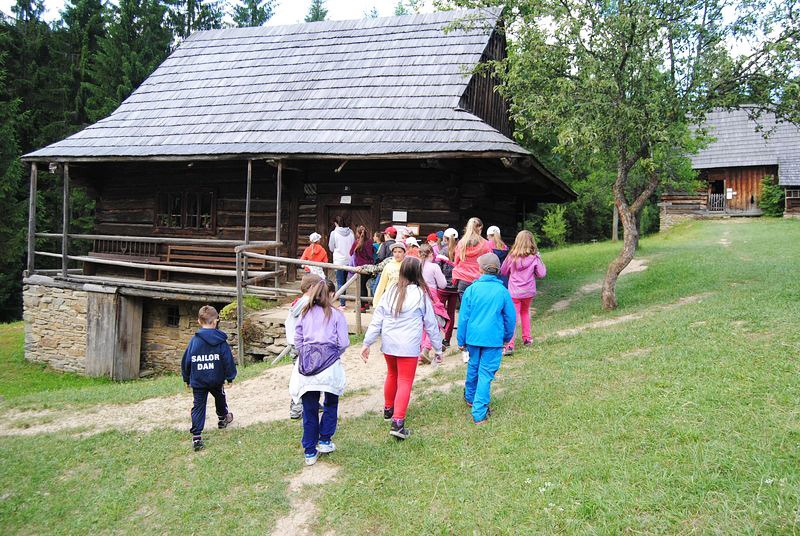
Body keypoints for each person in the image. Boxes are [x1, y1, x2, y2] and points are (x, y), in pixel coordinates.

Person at [361, 257, 443, 439]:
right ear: (417, 273)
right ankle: (398, 423)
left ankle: (388, 409)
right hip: (408, 345)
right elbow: (431, 324)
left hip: (389, 344)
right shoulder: (421, 295)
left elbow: (377, 320)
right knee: (405, 381)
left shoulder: (390, 292)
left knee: (392, 374)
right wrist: (438, 348)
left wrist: (367, 343)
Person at [289, 278, 349, 465]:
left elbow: (297, 339)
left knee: (310, 408)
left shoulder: (304, 314)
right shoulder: (336, 315)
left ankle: (309, 450)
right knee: (331, 403)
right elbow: (344, 342)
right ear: (330, 295)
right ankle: (325, 439)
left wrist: (307, 352)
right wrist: (333, 353)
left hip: (307, 366)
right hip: (329, 365)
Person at [457, 253, 516, 425]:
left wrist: (461, 340)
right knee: (485, 374)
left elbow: (464, 317)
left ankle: (470, 398)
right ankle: (479, 412)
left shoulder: (471, 290)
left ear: (480, 269)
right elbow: (510, 318)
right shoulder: (502, 291)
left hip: (473, 338)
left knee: (474, 367)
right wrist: (506, 337)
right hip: (493, 340)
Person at [181, 305, 237, 451]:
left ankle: (197, 436)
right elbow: (227, 359)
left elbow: (186, 361)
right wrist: (230, 376)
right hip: (216, 379)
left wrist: (186, 378)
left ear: (199, 321)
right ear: (215, 321)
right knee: (220, 397)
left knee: (198, 406)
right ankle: (223, 417)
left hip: (198, 380)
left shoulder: (194, 341)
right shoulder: (220, 341)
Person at [284, 274, 325, 419]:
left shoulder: (300, 301)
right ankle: (296, 409)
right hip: (303, 345)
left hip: (297, 344)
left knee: (308, 374)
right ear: (313, 288)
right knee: (302, 376)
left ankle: (313, 402)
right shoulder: (308, 302)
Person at [500, 230, 547, 355]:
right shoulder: (534, 258)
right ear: (531, 242)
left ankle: (510, 345)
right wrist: (539, 258)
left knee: (513, 317)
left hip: (514, 292)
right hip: (528, 292)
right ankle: (527, 339)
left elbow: (503, 271)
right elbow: (542, 274)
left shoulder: (511, 257)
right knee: (525, 312)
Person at [419, 243, 448, 364]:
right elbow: (443, 284)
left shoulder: (416, 266)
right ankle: (426, 349)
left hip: (417, 294)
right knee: (434, 323)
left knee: (421, 324)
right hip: (431, 296)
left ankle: (419, 353)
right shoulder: (434, 267)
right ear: (431, 253)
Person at [452, 217, 492, 299]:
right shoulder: (485, 244)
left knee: (465, 308)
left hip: (463, 279)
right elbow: (490, 262)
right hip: (479, 280)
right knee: (477, 308)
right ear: (480, 228)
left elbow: (456, 261)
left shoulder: (461, 243)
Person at [436, 227, 459, 349]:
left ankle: (436, 338)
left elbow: (437, 269)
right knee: (451, 313)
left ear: (444, 238)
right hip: (455, 288)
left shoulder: (442, 252)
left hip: (443, 288)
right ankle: (447, 339)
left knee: (438, 312)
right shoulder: (461, 252)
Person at [328, 215, 355, 309]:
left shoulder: (334, 233)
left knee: (340, 282)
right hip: (348, 260)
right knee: (344, 281)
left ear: (336, 223)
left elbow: (331, 248)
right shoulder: (351, 232)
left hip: (339, 261)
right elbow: (353, 246)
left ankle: (342, 303)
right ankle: (343, 301)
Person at [371, 241, 406, 305]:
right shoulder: (388, 266)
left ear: (404, 253)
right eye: (395, 252)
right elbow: (382, 284)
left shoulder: (407, 265)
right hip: (390, 297)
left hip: (404, 297)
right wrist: (376, 301)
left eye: (400, 252)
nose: (397, 254)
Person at [350, 225, 374, 312]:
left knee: (361, 286)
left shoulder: (356, 242)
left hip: (360, 267)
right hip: (370, 267)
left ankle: (362, 307)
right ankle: (366, 303)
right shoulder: (370, 241)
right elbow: (372, 253)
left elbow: (350, 253)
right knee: (364, 285)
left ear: (357, 233)